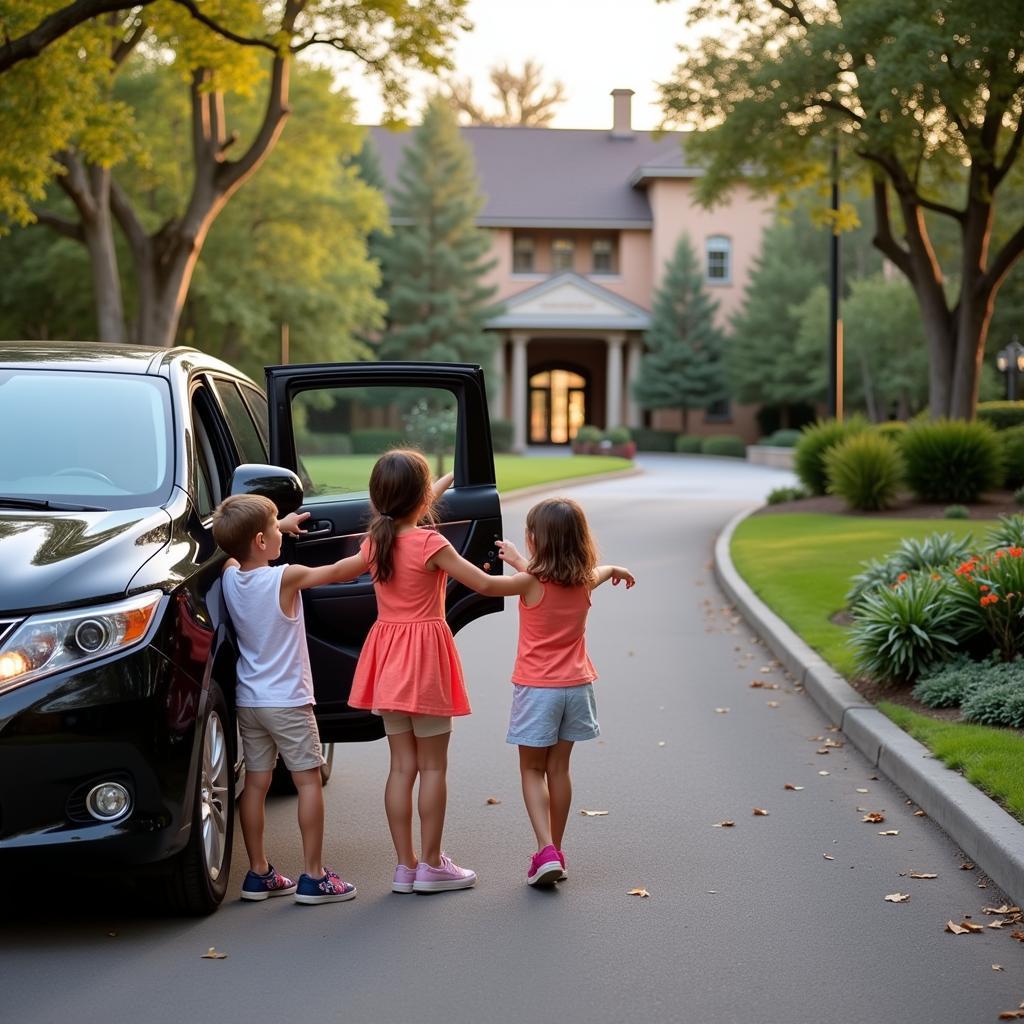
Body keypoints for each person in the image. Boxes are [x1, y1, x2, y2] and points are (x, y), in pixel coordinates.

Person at [346, 449, 534, 895]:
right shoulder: (432, 544)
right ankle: (432, 865)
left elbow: (350, 560)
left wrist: (446, 479)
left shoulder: (376, 542)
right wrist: (532, 579)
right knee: (433, 768)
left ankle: (405, 866)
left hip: (387, 658)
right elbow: (486, 584)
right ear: (421, 502)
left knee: (401, 768)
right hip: (425, 658)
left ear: (378, 498)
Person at [213, 493, 366, 905]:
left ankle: (259, 872)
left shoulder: (230, 575)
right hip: (289, 701)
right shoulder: (286, 576)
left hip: (251, 700)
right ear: (261, 542)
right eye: (276, 523)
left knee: (257, 784)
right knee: (307, 780)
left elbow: (233, 548)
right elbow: (342, 570)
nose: (282, 527)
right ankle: (314, 875)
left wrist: (275, 527)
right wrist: (380, 540)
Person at [496, 498, 635, 887]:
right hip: (576, 687)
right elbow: (600, 571)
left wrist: (444, 560)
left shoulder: (528, 583)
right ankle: (554, 849)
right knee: (558, 770)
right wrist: (617, 569)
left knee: (530, 769)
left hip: (538, 690)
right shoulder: (585, 579)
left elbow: (488, 586)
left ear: (536, 539)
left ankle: (545, 850)